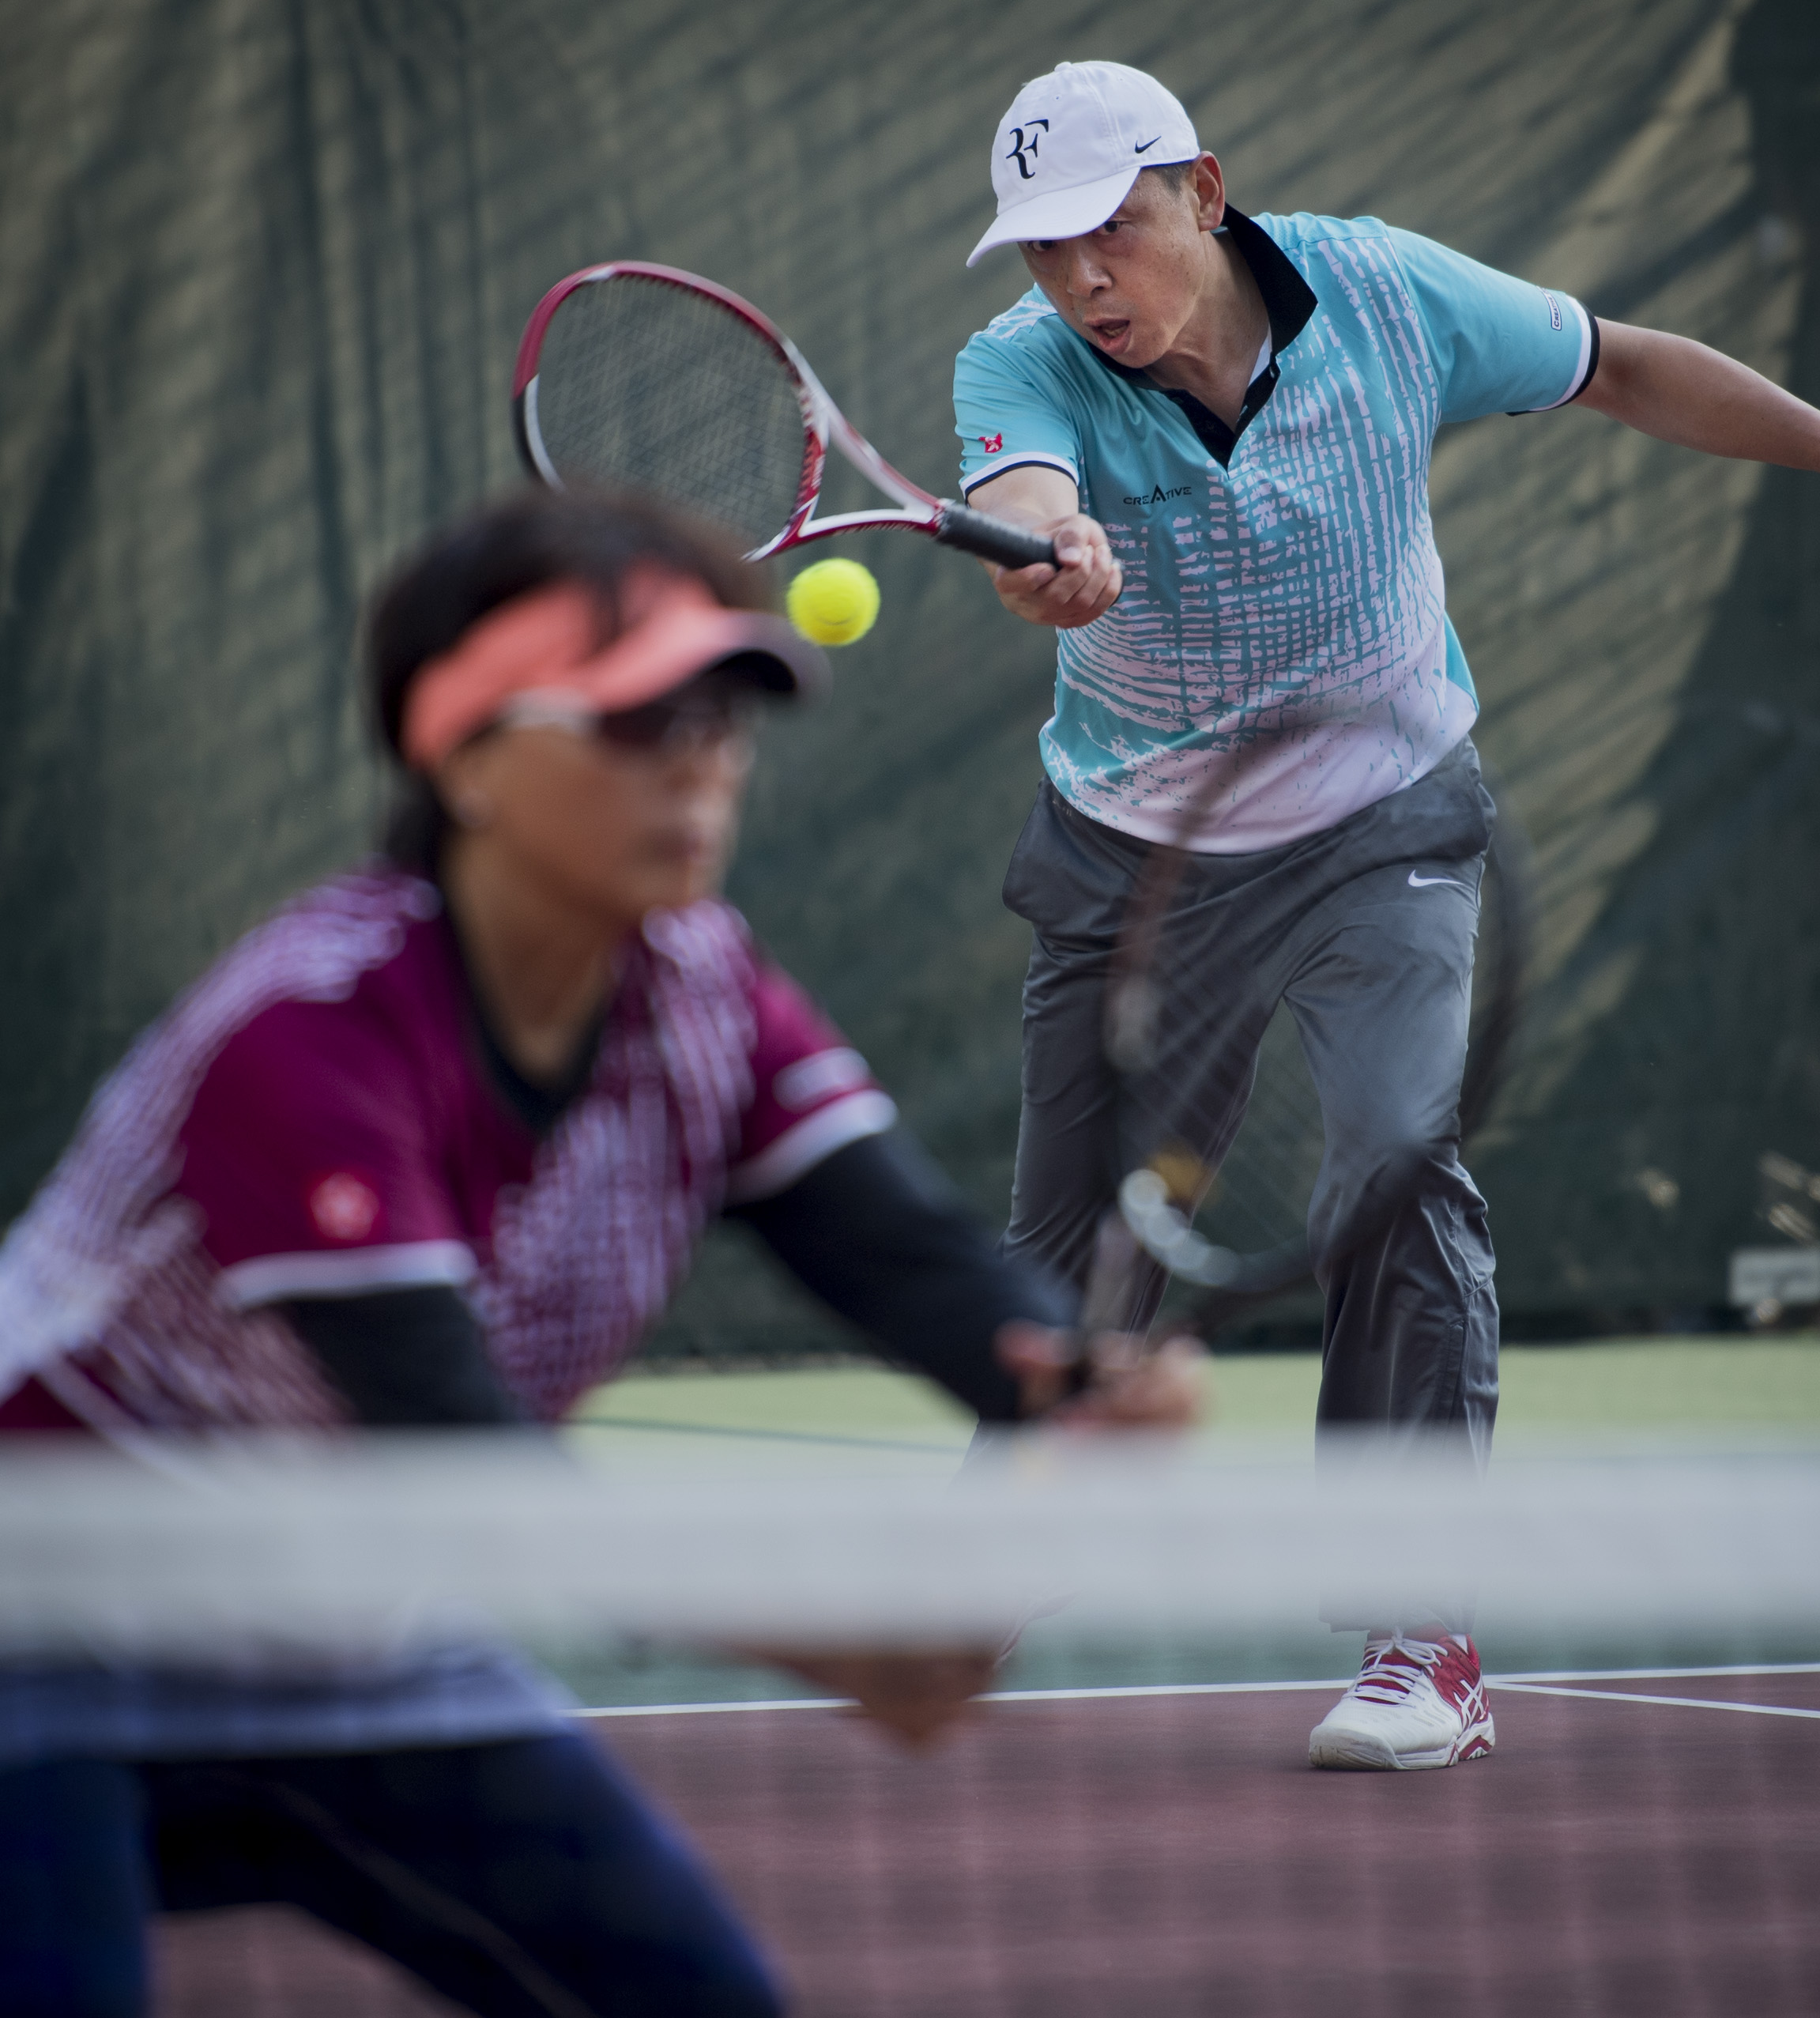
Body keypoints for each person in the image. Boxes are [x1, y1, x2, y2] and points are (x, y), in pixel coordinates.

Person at [0, 488, 1200, 2018]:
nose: (701, 763)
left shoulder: (702, 989)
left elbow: (905, 1253)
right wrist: (827, 1630)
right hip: (41, 1611)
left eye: (722, 718)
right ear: (470, 755)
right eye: (639, 721)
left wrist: (1070, 1378)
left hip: (358, 1638)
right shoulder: (308, 1037)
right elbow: (462, 1459)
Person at [951, 58, 1820, 1774]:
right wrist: (1051, 539)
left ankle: (1416, 1625)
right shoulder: (1021, 366)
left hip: (1384, 824)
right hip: (1135, 857)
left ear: (1202, 193)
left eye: (1109, 229)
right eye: (1042, 250)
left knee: (1396, 1159)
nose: (1080, 279)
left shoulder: (1386, 291)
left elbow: (1621, 362)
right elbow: (1015, 489)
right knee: (1076, 1237)